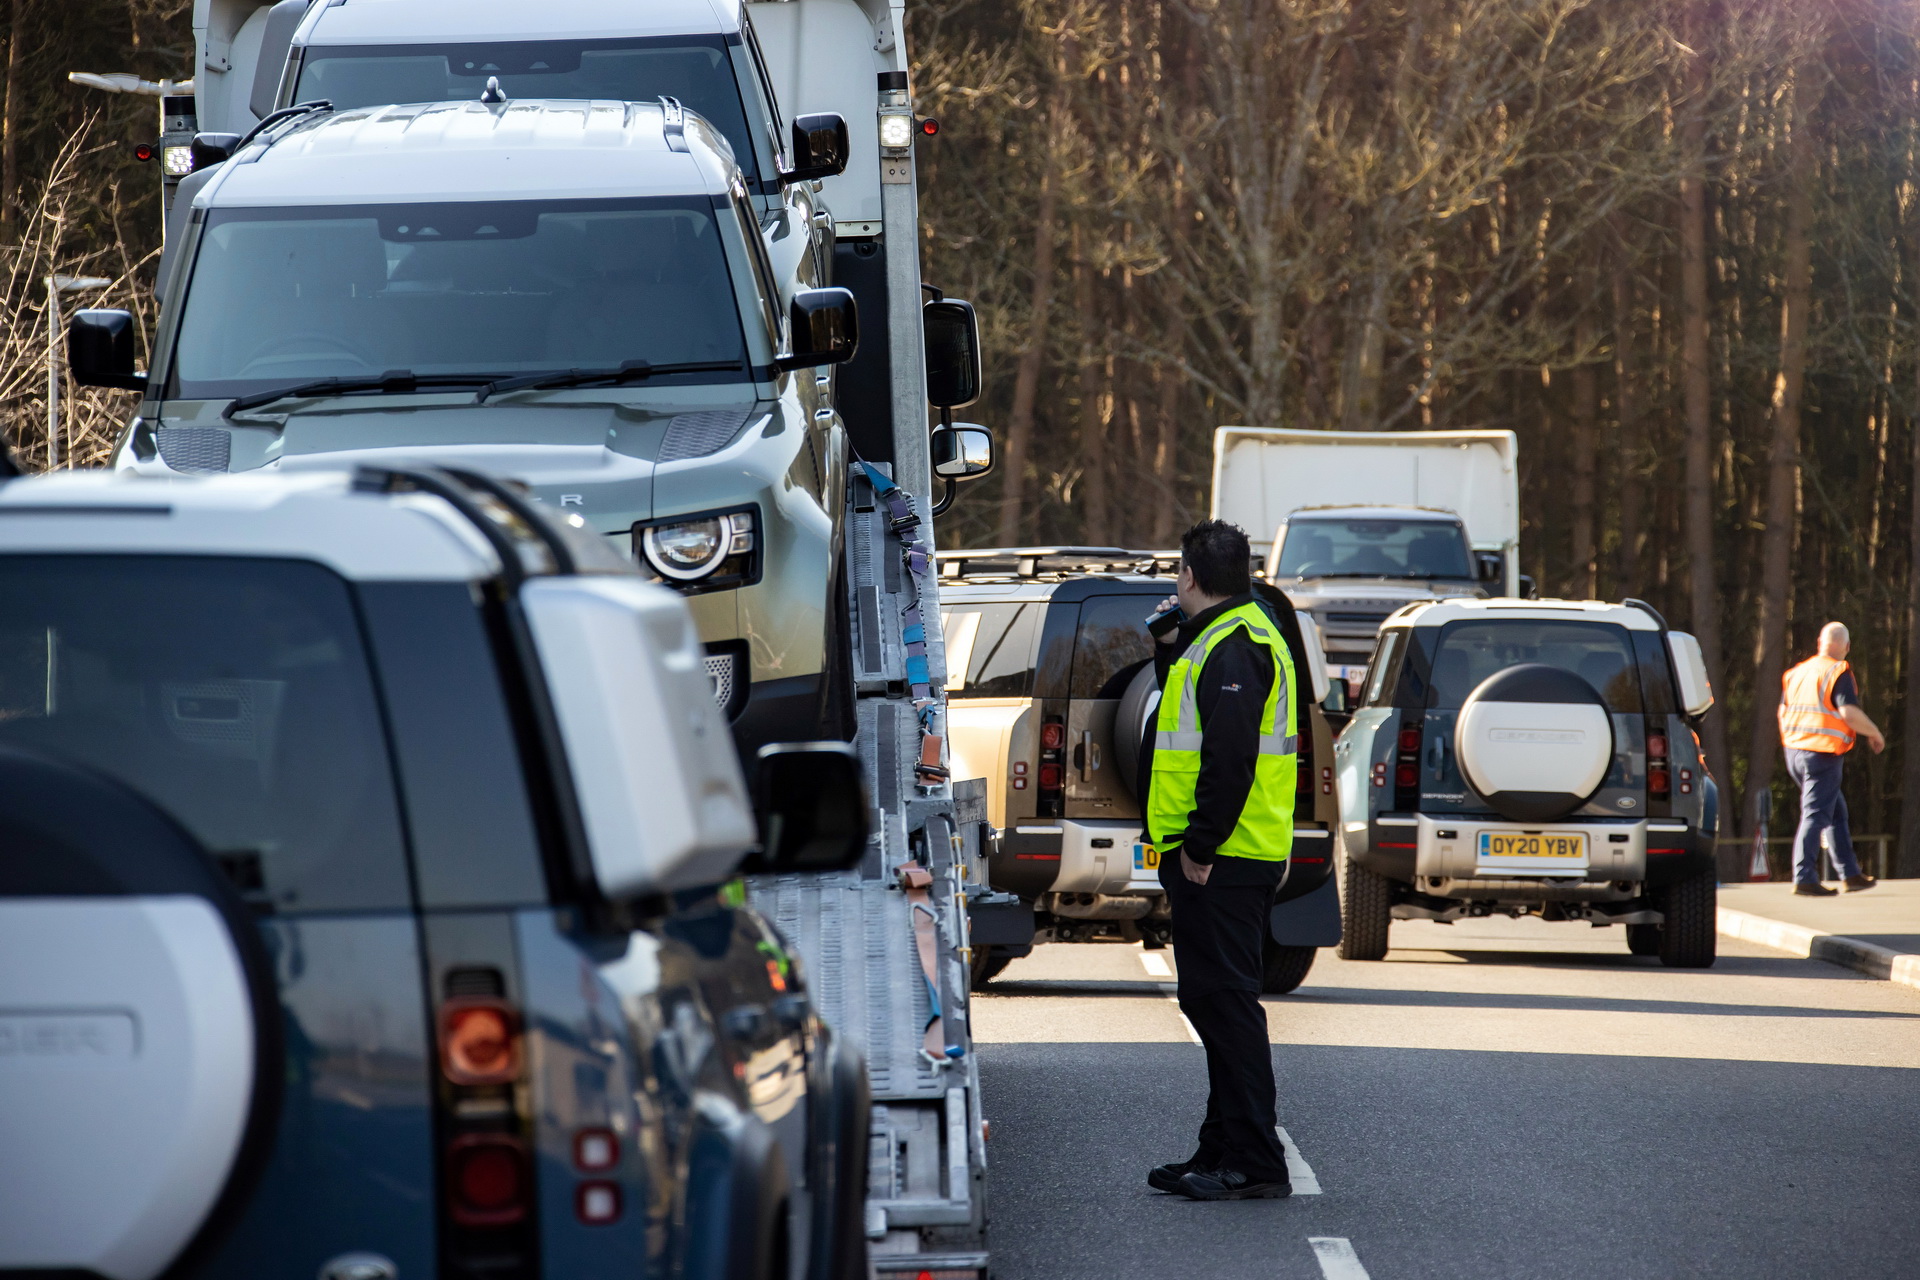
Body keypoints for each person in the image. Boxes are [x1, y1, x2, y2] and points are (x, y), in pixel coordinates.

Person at [1141, 519, 1298, 1201]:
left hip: (1225, 858)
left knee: (1226, 1007)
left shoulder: (1235, 646)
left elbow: (1228, 758)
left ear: (1189, 577)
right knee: (1214, 1002)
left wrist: (1200, 846)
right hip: (1231, 854)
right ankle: (1220, 1150)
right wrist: (1168, 648)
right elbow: (1194, 724)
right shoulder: (1225, 637)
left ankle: (1256, 1161)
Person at [1779, 621, 1886, 896]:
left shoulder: (1797, 672)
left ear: (1819, 642)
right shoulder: (1838, 671)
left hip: (1794, 752)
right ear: (1847, 647)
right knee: (1815, 814)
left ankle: (1850, 874)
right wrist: (1874, 732)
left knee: (1836, 811)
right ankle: (1804, 877)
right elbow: (1848, 712)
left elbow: (1782, 711)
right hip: (1822, 754)